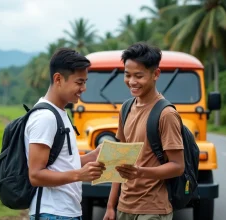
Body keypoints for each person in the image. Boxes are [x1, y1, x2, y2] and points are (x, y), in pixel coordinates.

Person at [103, 42, 185, 220]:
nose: (132, 82)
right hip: (124, 207)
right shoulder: (126, 108)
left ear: (155, 74)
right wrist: (111, 206)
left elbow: (178, 166)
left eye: (139, 76)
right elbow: (120, 159)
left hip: (153, 209)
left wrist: (141, 172)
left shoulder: (166, 114)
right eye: (127, 75)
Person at [25, 48, 105, 220]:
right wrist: (80, 174)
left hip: (66, 212)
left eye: (85, 82)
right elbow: (36, 175)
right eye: (79, 82)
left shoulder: (60, 113)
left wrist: (93, 156)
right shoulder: (45, 118)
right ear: (58, 79)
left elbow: (61, 163)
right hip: (52, 213)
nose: (84, 88)